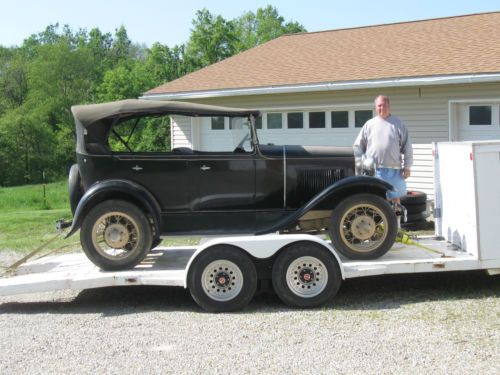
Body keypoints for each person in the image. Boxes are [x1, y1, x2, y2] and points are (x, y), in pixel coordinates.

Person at [354, 94, 413, 202]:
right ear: (376, 107)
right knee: (376, 201)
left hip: (394, 171)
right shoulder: (369, 124)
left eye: (384, 105)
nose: (382, 108)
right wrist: (361, 166)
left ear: (389, 106)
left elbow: (407, 146)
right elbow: (358, 146)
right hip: (374, 171)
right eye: (379, 105)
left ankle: (395, 219)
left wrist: (407, 167)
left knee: (395, 199)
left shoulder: (398, 123)